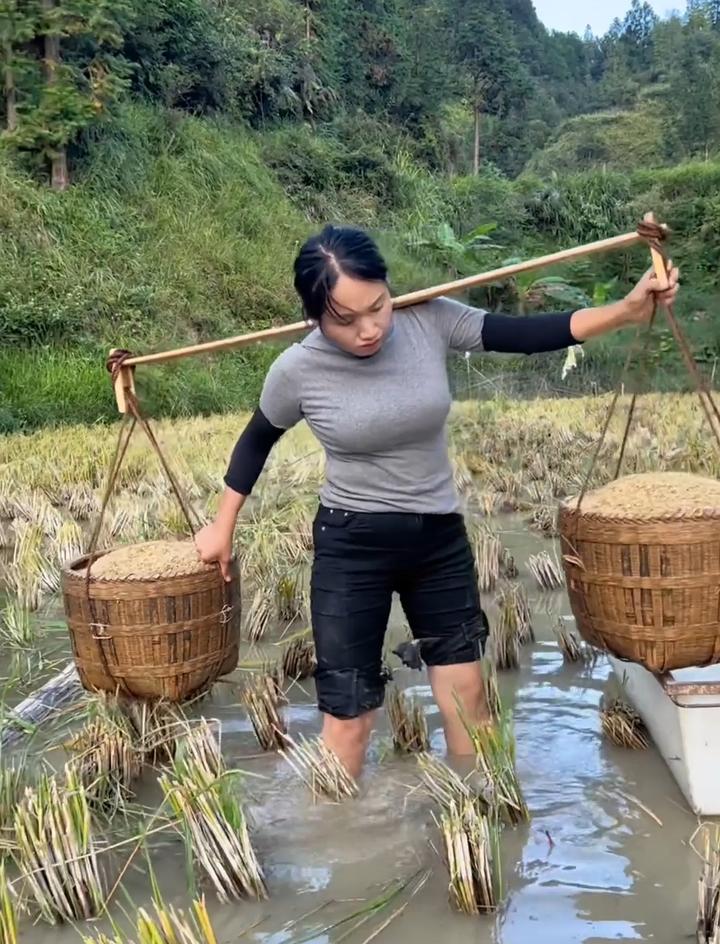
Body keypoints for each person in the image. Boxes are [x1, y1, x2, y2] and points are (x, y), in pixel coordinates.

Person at [195, 225, 680, 778]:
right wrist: (221, 525)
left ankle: (482, 809)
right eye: (344, 320)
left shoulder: (429, 318)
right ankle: (344, 843)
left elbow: (525, 334)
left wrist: (625, 310)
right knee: (349, 718)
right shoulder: (297, 370)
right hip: (351, 546)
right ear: (313, 317)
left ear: (389, 289)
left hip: (437, 540)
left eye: (377, 307)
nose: (369, 329)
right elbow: (257, 438)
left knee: (468, 700)